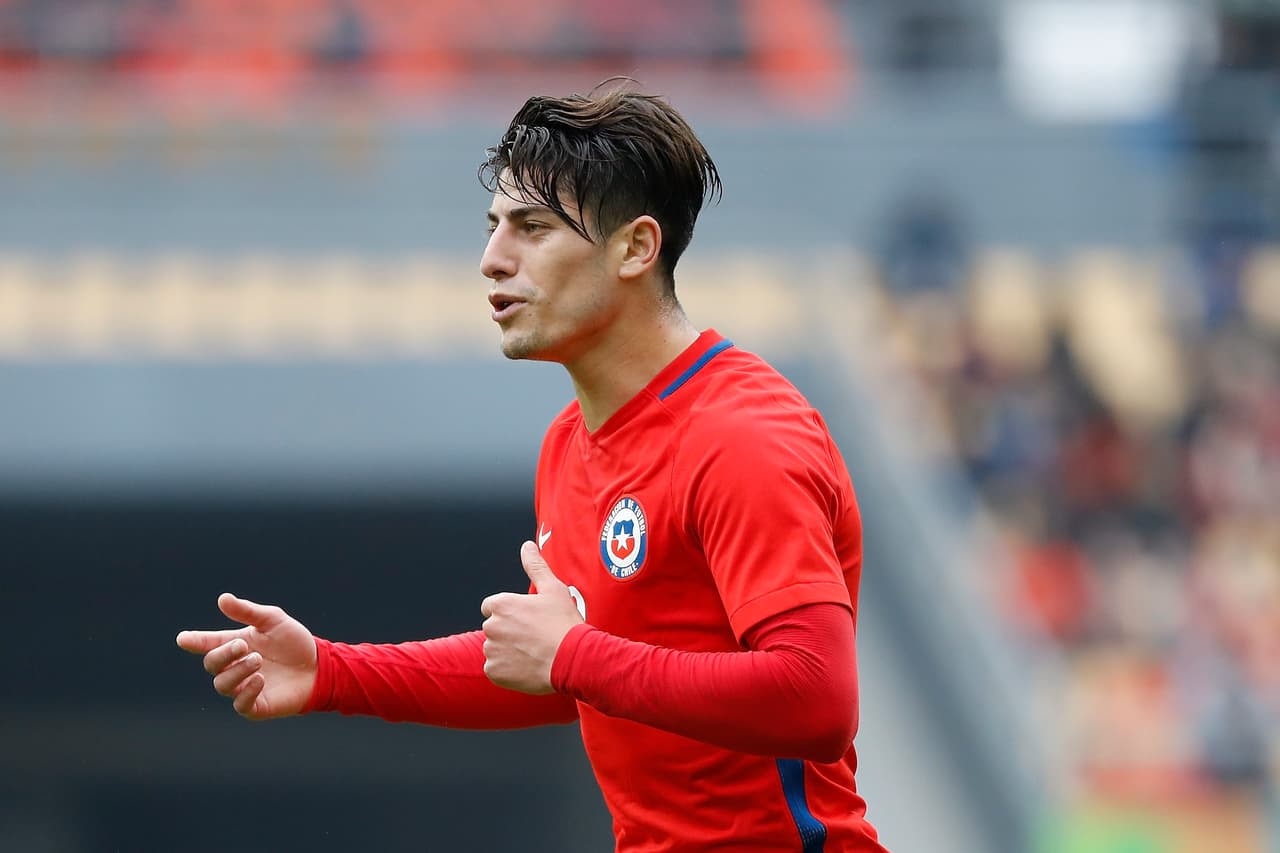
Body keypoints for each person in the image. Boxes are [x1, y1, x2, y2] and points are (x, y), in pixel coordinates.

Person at [177, 81, 889, 853]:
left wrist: (574, 654)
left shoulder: (739, 435)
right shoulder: (571, 440)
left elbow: (815, 698)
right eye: (492, 228)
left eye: (532, 228)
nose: (491, 260)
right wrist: (334, 671)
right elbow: (558, 668)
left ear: (635, 248)